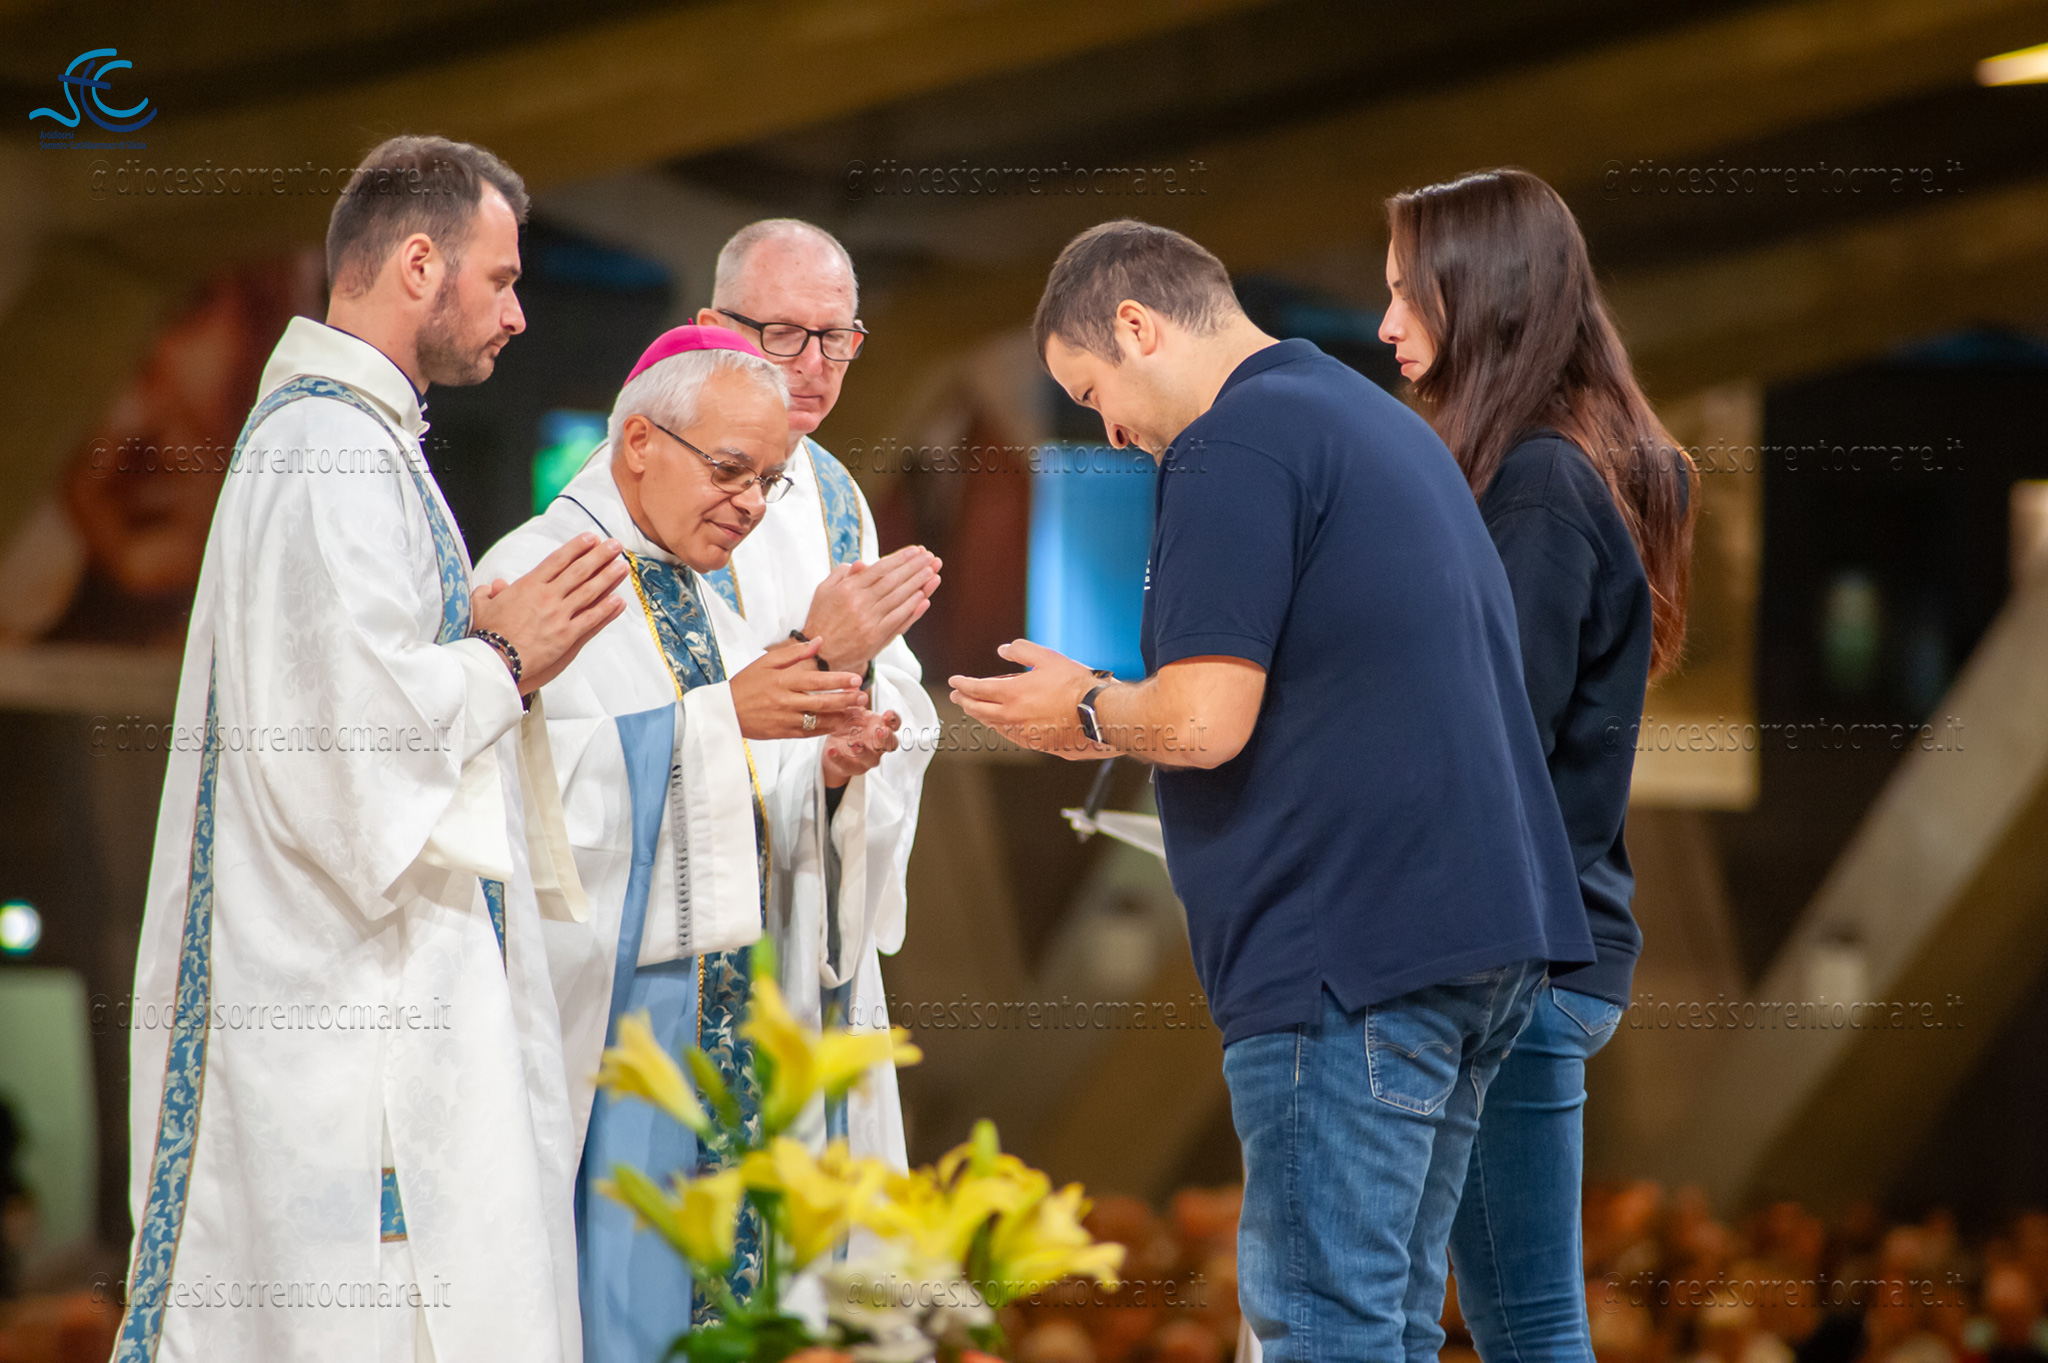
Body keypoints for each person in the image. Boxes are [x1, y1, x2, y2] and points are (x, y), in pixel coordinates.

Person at [949, 218, 1594, 1362]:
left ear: (1136, 327)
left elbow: (1203, 720)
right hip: (1474, 942)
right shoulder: (1373, 422)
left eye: (1092, 391)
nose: (1108, 430)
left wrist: (1086, 708)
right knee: (1387, 1327)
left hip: (1346, 953)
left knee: (1324, 1332)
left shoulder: (1229, 443)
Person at [118, 136, 625, 1363]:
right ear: (419, 264)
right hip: (340, 1034)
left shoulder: (361, 441)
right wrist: (502, 658)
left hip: (366, 1008)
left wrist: (487, 653)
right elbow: (346, 752)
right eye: (501, 280)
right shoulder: (328, 452)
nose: (517, 314)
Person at [475, 325, 903, 1360]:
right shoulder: (539, 572)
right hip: (614, 1034)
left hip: (727, 1032)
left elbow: (742, 796)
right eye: (729, 471)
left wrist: (820, 772)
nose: (750, 505)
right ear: (638, 443)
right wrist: (723, 720)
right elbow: (519, 800)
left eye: (767, 481)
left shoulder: (709, 596)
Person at [1378, 167, 1696, 1363]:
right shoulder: (1563, 464)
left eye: (1406, 291)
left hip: (1515, 950)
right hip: (1534, 941)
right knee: (1510, 1313)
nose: (1384, 323)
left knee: (1523, 1318)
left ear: (1484, 295)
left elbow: (1487, 730)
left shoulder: (1538, 479)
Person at [692, 218, 940, 1157]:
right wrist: (819, 656)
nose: (813, 365)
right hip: (683, 932)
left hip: (806, 902)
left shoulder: (838, 497)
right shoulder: (648, 485)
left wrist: (859, 745)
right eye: (784, 333)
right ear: (712, 326)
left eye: (836, 338)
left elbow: (897, 688)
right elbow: (634, 707)